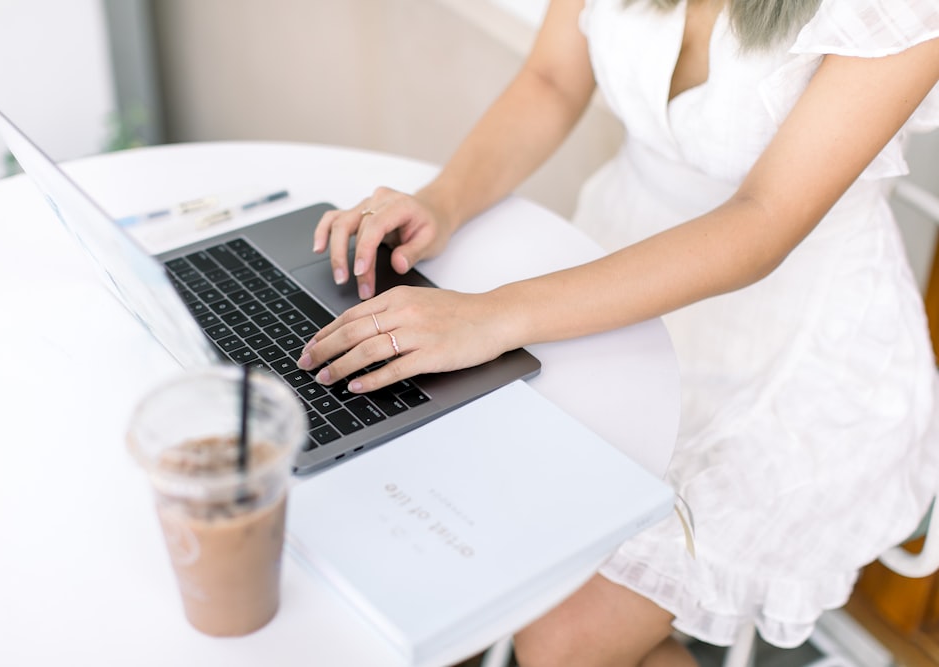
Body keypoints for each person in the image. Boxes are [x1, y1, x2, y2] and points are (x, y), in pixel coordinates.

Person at [297, 0, 939, 664]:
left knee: (564, 641)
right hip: (603, 271)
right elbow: (552, 78)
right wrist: (443, 199)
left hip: (792, 347)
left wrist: (491, 315)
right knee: (424, 520)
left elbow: (763, 222)